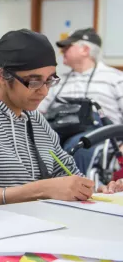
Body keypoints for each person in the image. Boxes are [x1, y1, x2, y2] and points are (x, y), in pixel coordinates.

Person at [0, 29, 123, 208]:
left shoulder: (36, 120)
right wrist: (41, 189)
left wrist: (97, 190)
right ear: (1, 75)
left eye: (50, 80)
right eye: (34, 81)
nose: (44, 91)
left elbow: (68, 172)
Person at [38, 28, 123, 174]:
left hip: (102, 138)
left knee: (79, 148)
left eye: (68, 47)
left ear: (85, 49)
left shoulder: (115, 79)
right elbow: (38, 111)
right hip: (57, 133)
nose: (62, 51)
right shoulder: (58, 81)